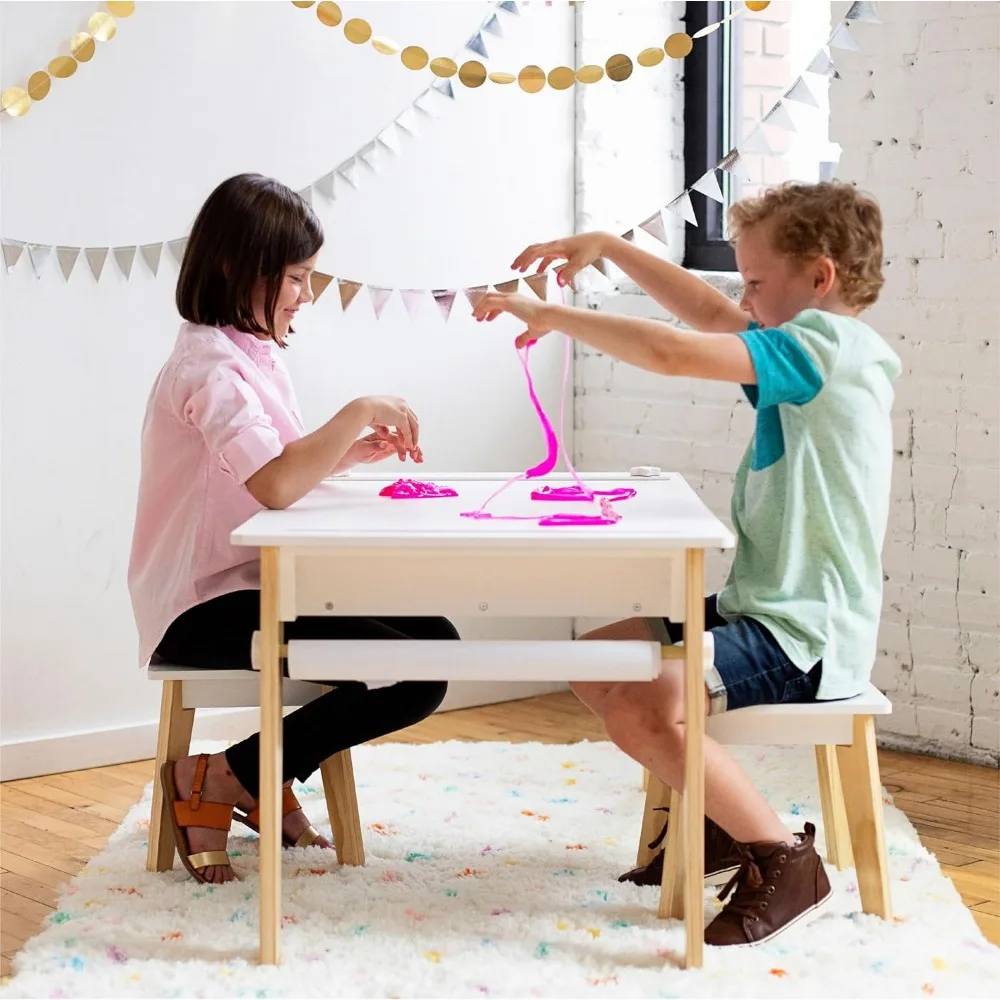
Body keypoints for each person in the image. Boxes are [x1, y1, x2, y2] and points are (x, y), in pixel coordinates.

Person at [472, 180, 900, 947]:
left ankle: (784, 857)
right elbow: (707, 317)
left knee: (643, 705)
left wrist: (551, 316)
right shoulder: (803, 349)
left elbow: (675, 349)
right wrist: (607, 247)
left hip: (805, 633)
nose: (745, 298)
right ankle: (723, 826)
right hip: (760, 607)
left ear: (820, 278)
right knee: (597, 660)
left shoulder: (823, 349)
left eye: (759, 283)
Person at [128, 173, 456, 885]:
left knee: (437, 642)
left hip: (258, 585)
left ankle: (249, 772)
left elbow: (279, 469)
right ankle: (219, 778)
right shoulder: (207, 368)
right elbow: (275, 484)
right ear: (235, 269)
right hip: (203, 608)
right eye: (297, 278)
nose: (307, 295)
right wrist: (358, 409)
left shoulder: (252, 353)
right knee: (419, 670)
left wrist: (347, 450)